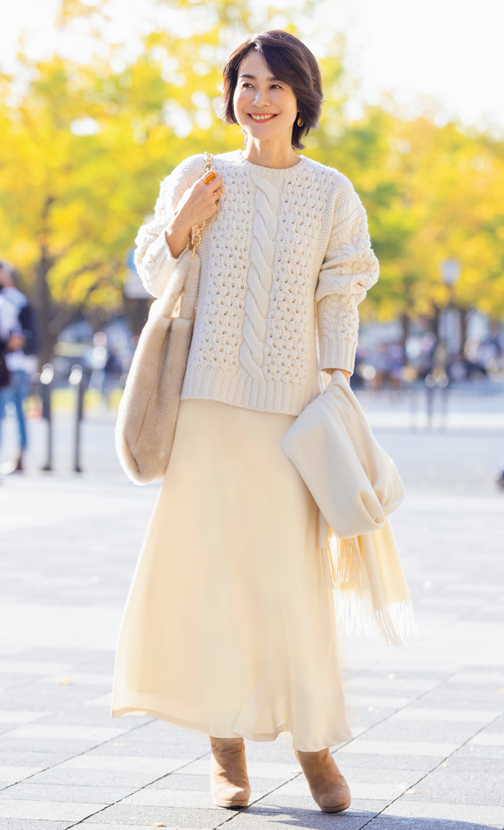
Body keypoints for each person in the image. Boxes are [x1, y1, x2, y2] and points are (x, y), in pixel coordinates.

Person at [111, 30, 380, 813]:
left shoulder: (332, 192)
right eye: (247, 84)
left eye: (275, 88)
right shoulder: (198, 176)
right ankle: (223, 750)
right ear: (231, 93)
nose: (257, 101)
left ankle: (313, 747)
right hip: (206, 412)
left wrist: (334, 376)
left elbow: (343, 286)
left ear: (301, 101)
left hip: (290, 416)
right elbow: (154, 275)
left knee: (290, 586)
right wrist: (182, 223)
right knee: (209, 580)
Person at [0, 262, 38, 472]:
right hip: (23, 365)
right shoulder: (23, 301)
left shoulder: (6, 301)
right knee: (19, 412)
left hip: (8, 365)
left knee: (2, 412)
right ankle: (20, 453)